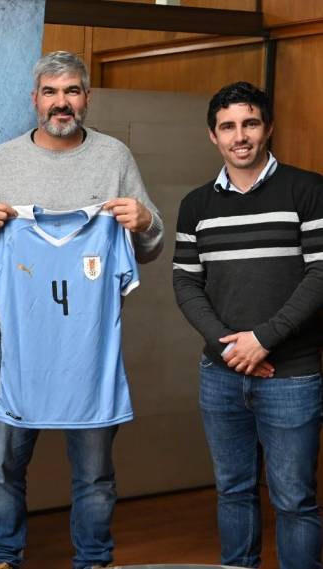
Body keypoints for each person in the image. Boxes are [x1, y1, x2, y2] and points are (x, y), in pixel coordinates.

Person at [0, 51, 163, 569]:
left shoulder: (115, 157)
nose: (61, 102)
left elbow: (150, 245)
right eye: (51, 92)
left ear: (86, 98)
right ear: (35, 99)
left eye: (71, 91)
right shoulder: (4, 160)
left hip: (88, 341)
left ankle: (93, 559)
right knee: (3, 461)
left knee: (94, 469)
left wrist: (145, 222)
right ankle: (3, 556)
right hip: (13, 339)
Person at [173, 82, 323, 569]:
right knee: (233, 491)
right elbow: (185, 283)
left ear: (268, 128)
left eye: (250, 123)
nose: (240, 136)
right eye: (228, 126)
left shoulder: (308, 190)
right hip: (220, 374)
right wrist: (230, 350)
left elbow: (321, 274)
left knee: (294, 499)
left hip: (291, 374)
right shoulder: (196, 205)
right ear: (213, 135)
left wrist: (263, 340)